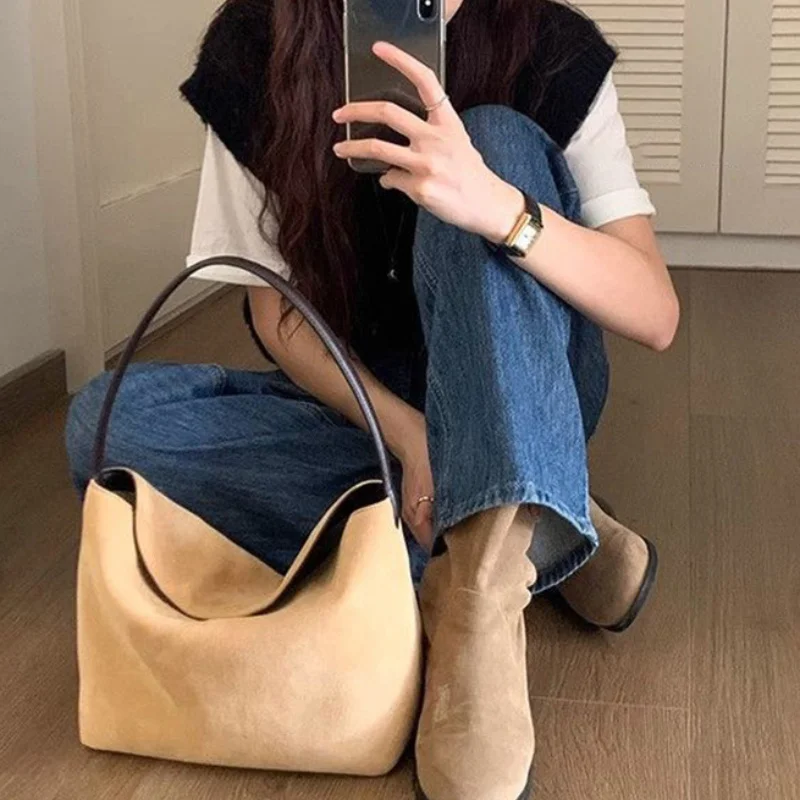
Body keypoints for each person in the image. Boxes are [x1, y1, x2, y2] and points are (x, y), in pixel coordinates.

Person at [65, 1, 679, 798]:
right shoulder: (254, 44)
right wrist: (409, 435)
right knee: (109, 423)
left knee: (493, 135)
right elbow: (276, 314)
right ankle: (532, 511)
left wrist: (496, 206)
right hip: (369, 399)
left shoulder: (553, 47)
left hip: (529, 374)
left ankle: (479, 603)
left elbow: (654, 311)